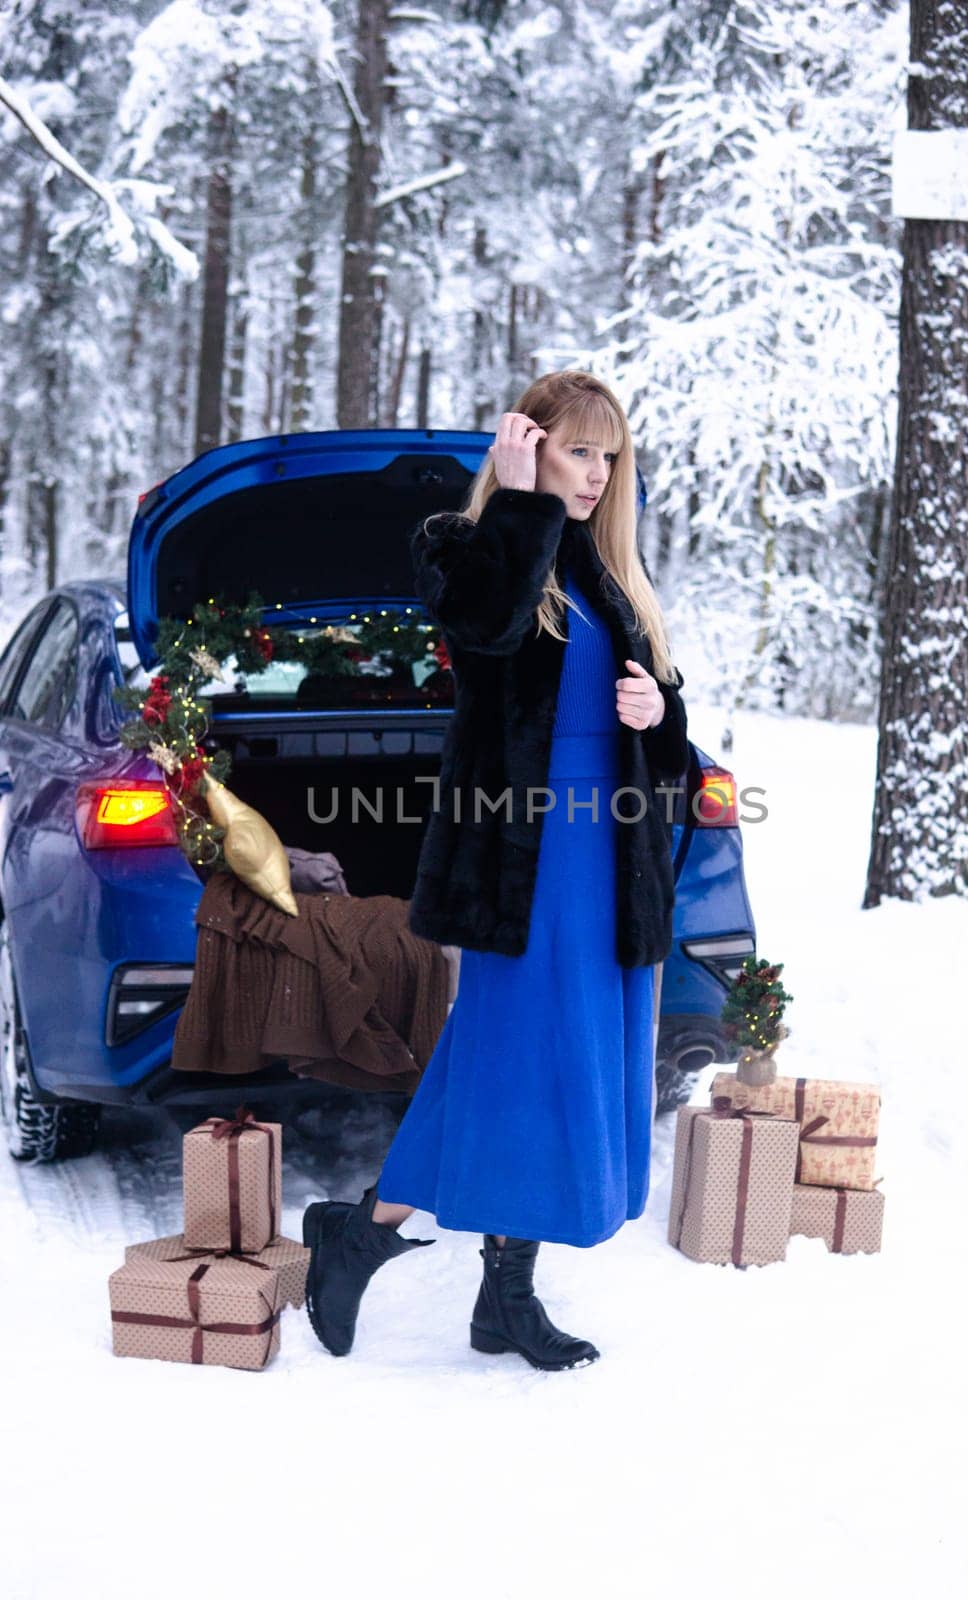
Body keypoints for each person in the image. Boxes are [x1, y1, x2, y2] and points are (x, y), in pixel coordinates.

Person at [302, 370, 689, 1371]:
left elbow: (667, 744)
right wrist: (518, 502)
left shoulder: (612, 580)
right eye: (576, 452)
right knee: (504, 1060)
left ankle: (501, 1296)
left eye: (608, 456)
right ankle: (365, 1229)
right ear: (528, 448)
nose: (595, 474)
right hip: (525, 865)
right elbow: (485, 630)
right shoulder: (465, 547)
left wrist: (661, 720)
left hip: (606, 858)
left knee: (557, 1069)